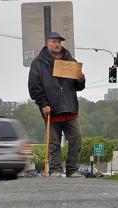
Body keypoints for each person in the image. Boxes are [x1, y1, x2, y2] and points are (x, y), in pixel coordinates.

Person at [28, 32, 85, 177]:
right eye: (54, 41)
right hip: (51, 109)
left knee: (76, 138)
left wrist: (81, 79)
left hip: (70, 108)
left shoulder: (71, 61)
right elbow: (34, 86)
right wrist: (43, 104)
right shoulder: (38, 63)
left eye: (59, 42)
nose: (57, 44)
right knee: (54, 142)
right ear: (47, 43)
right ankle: (55, 169)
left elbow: (78, 87)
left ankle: (73, 169)